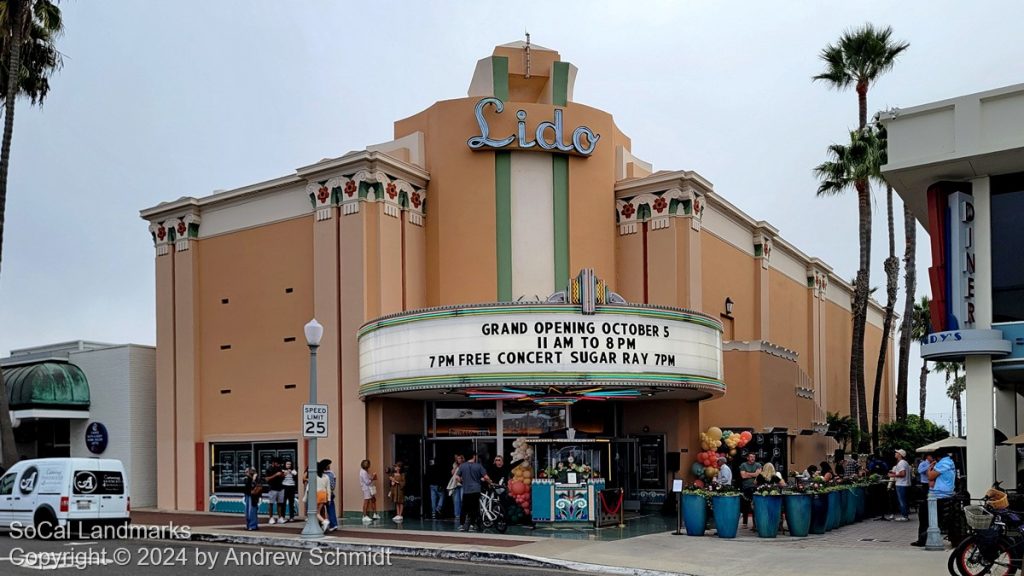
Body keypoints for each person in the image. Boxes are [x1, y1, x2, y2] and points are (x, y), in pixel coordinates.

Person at [912, 451, 956, 546]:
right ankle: (926, 538)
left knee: (924, 515)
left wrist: (930, 468)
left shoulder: (943, 463)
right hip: (944, 493)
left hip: (939, 495)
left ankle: (923, 539)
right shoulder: (949, 462)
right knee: (933, 517)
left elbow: (930, 477)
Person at [456, 452, 491, 532]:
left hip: (466, 490)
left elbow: (457, 477)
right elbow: (486, 477)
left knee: (464, 508)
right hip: (476, 490)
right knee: (474, 508)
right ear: (474, 457)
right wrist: (490, 482)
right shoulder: (478, 466)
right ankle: (472, 525)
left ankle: (462, 525)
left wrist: (462, 482)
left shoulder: (462, 466)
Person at [738, 452, 762, 527]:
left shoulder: (758, 465)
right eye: (751, 457)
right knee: (746, 505)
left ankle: (755, 524)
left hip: (756, 487)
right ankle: (745, 523)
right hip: (746, 487)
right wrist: (753, 474)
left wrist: (748, 473)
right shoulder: (743, 465)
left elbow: (758, 475)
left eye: (754, 457)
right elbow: (743, 476)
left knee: (755, 505)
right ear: (747, 458)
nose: (752, 458)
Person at [888, 449, 911, 521]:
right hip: (905, 484)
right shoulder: (905, 462)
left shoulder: (901, 463)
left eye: (897, 452)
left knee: (902, 501)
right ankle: (905, 515)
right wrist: (894, 473)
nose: (895, 453)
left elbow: (902, 474)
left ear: (900, 455)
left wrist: (893, 475)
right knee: (904, 500)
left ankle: (904, 516)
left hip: (901, 484)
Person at [264, 458, 286, 525]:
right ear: (273, 463)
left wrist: (283, 474)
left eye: (279, 463)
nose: (278, 464)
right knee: (271, 503)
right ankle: (271, 518)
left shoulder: (279, 468)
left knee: (280, 503)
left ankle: (280, 518)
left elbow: (282, 477)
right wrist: (275, 475)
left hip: (280, 488)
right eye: (277, 463)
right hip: (272, 488)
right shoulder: (269, 469)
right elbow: (267, 479)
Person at [448, 453, 465, 525]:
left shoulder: (465, 465)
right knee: (456, 500)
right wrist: (455, 467)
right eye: (458, 458)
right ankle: (457, 515)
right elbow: (452, 473)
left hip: (462, 484)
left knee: (462, 499)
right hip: (456, 484)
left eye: (461, 458)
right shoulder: (455, 465)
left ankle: (463, 515)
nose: (460, 460)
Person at [315, 460, 331, 532]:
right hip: (323, 494)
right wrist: (329, 498)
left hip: (316, 494)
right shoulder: (326, 476)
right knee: (319, 511)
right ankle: (323, 522)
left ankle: (324, 521)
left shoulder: (314, 476)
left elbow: (309, 487)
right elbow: (328, 488)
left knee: (315, 512)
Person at [323, 459, 338, 531]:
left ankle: (323, 522)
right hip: (331, 493)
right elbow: (333, 484)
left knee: (321, 509)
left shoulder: (323, 475)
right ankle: (334, 524)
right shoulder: (332, 474)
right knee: (331, 509)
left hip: (324, 493)